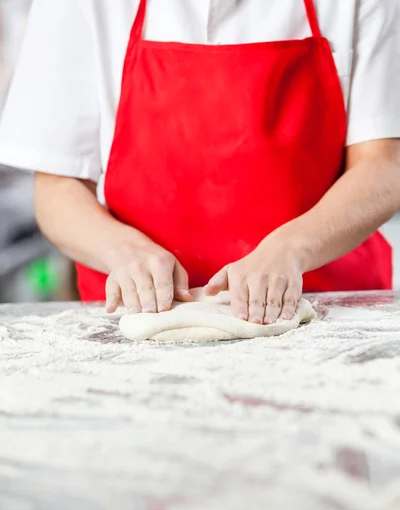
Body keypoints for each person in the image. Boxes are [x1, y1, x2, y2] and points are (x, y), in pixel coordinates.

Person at [0, 0, 399, 325]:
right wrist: (123, 251)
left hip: (332, 315)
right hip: (140, 323)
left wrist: (292, 248)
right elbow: (58, 186)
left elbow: (385, 163)